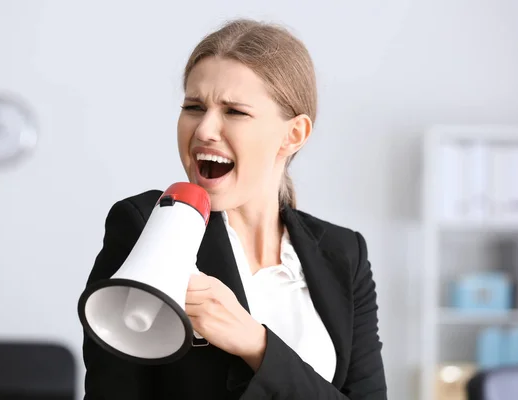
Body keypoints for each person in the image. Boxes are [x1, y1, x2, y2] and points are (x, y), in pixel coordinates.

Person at [81, 18, 387, 400]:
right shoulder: (146, 226)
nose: (205, 129)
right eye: (194, 106)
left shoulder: (344, 253)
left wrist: (256, 344)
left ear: (294, 134)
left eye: (235, 111)